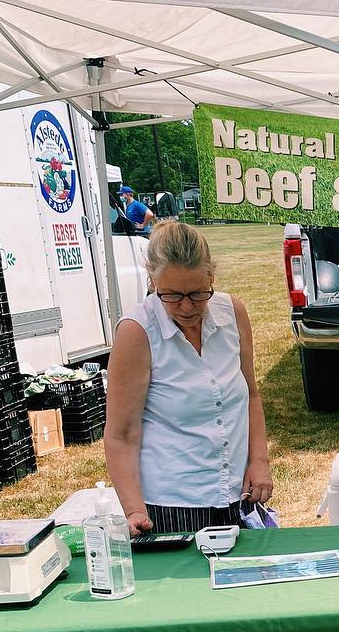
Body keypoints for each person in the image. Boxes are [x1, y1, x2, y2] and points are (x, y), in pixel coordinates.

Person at [104, 221, 273, 536]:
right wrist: (134, 509)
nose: (186, 306)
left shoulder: (232, 312)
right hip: (173, 506)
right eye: (171, 295)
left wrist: (259, 461)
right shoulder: (136, 332)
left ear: (211, 277)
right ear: (153, 281)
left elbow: (251, 395)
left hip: (240, 496)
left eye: (197, 293)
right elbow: (121, 435)